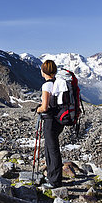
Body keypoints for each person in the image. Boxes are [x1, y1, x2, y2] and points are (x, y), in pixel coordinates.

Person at [36, 59, 67, 188]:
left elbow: (45, 107)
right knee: (50, 148)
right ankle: (52, 176)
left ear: (44, 71)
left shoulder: (47, 85)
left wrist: (38, 109)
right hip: (59, 120)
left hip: (50, 121)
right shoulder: (58, 83)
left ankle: (55, 181)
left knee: (52, 149)